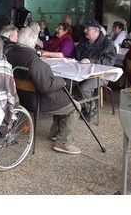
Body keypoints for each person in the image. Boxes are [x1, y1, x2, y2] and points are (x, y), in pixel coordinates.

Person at [5, 25, 82, 155]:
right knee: (75, 106)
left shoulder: (10, 53)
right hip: (37, 100)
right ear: (33, 42)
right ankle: (63, 142)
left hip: (19, 97)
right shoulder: (32, 59)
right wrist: (61, 80)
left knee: (63, 97)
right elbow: (45, 87)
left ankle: (55, 133)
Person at [74, 19, 116, 119]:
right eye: (85, 29)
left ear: (96, 31)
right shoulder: (83, 42)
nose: (85, 31)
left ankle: (91, 108)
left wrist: (91, 60)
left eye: (87, 29)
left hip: (102, 75)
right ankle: (79, 107)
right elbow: (77, 56)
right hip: (84, 72)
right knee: (69, 83)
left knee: (84, 88)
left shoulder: (107, 44)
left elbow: (109, 62)